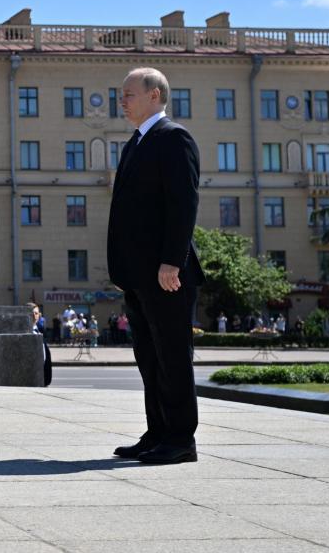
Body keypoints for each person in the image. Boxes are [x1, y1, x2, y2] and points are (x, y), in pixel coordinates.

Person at [107, 67, 204, 465]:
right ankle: (158, 432)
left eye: (129, 93)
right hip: (139, 275)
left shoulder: (173, 138)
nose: (122, 100)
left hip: (167, 274)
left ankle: (181, 438)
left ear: (155, 96)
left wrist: (171, 261)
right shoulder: (136, 142)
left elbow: (184, 204)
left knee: (172, 357)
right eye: (122, 94)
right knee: (150, 358)